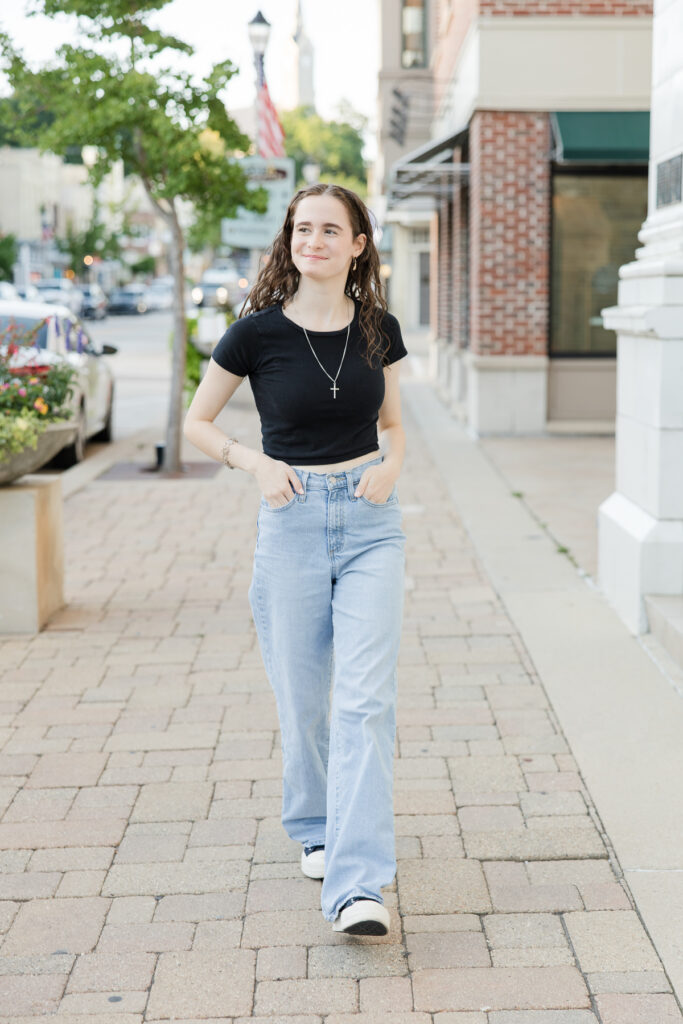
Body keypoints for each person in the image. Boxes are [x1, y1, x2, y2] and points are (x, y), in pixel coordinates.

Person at [183, 183, 407, 937]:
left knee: (365, 704)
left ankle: (356, 886)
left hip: (371, 522)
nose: (313, 239)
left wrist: (391, 466)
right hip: (291, 522)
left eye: (329, 229)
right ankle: (314, 825)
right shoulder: (255, 333)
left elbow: (393, 424)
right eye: (301, 228)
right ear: (289, 241)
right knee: (305, 701)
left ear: (357, 245)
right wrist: (253, 463)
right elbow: (198, 422)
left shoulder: (378, 329)